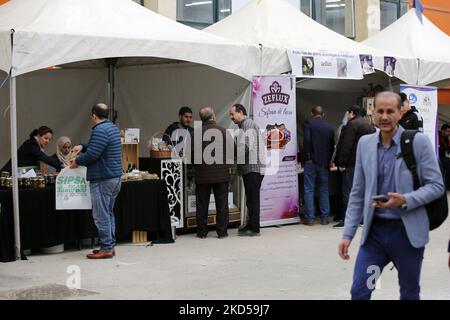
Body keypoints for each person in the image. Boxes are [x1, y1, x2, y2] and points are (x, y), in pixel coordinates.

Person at [338, 91, 444, 300]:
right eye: (380, 111)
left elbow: (437, 185)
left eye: (390, 111)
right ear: (373, 112)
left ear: (400, 112)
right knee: (361, 291)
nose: (384, 116)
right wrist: (347, 234)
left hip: (407, 236)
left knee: (409, 292)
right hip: (375, 238)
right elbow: (358, 192)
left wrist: (406, 199)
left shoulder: (418, 142)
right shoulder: (365, 144)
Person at [71, 103, 122, 259]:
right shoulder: (111, 127)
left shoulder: (100, 130)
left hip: (102, 178)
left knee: (101, 215)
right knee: (108, 213)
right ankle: (110, 246)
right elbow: (97, 147)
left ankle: (106, 248)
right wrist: (82, 146)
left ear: (93, 115)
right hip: (114, 177)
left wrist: (77, 161)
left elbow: (93, 154)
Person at [190, 107, 232, 239]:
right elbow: (234, 152)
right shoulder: (224, 131)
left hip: (202, 175)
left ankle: (202, 232)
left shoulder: (194, 134)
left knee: (202, 204)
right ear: (213, 116)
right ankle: (222, 232)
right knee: (222, 204)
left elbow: (189, 156)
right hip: (221, 174)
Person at [333, 105, 375, 229]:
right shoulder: (370, 126)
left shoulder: (352, 125)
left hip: (352, 164)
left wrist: (342, 163)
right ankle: (362, 219)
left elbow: (346, 145)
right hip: (366, 163)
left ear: (352, 113)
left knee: (349, 192)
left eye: (348, 113)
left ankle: (348, 219)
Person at [230, 104, 265, 237]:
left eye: (232, 114)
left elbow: (245, 146)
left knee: (253, 199)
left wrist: (231, 155)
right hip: (250, 168)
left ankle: (255, 228)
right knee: (251, 199)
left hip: (253, 168)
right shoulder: (243, 126)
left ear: (241, 112)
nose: (231, 117)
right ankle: (251, 225)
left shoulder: (248, 124)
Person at [301, 106, 335, 225]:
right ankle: (325, 217)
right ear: (323, 114)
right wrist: (329, 159)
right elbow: (331, 147)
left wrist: (307, 157)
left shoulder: (308, 124)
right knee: (324, 190)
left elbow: (306, 141)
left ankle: (310, 218)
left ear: (311, 113)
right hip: (324, 162)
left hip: (311, 162)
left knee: (309, 189)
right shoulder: (329, 128)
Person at [438, 124, 450, 188]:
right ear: (442, 130)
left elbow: (447, 148)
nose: (449, 133)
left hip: (443, 157)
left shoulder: (446, 139)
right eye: (447, 131)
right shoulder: (437, 136)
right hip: (436, 156)